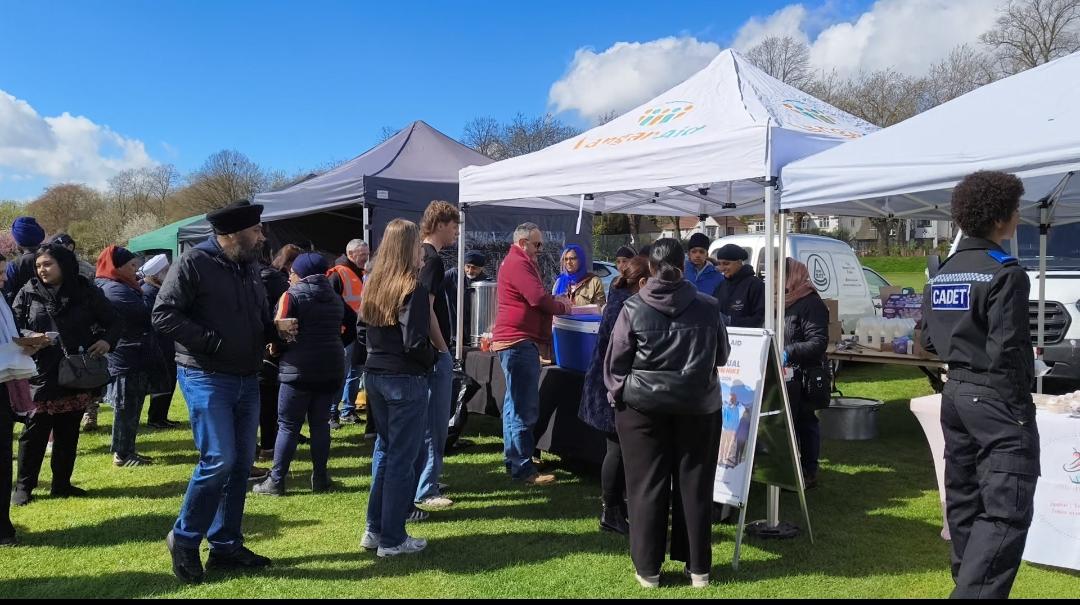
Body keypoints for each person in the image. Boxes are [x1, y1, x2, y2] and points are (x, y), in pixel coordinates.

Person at [920, 171, 1037, 599]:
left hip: (955, 393)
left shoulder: (943, 271)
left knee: (965, 500)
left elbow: (928, 340)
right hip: (996, 398)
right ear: (1000, 217)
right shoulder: (1005, 273)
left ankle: (966, 584)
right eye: (1016, 211)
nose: (1019, 218)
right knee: (1006, 509)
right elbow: (1008, 351)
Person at [153, 200, 276, 583]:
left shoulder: (248, 266)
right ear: (232, 234)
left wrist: (272, 332)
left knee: (241, 464)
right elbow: (163, 314)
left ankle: (225, 545)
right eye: (255, 231)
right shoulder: (193, 263)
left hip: (246, 375)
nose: (261, 237)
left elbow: (254, 316)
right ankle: (185, 539)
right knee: (219, 459)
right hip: (206, 375)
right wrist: (211, 342)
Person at [604, 238, 729, 589]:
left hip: (643, 409)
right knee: (695, 486)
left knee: (646, 487)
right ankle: (699, 569)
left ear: (652, 268)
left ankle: (649, 571)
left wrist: (620, 394)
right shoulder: (708, 307)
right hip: (698, 406)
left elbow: (615, 363)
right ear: (684, 265)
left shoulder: (632, 307)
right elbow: (721, 354)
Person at [12, 244, 120, 506]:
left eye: (47, 264)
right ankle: (24, 487)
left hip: (75, 372)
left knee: (68, 431)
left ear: (64, 264)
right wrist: (29, 338)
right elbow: (14, 327)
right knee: (35, 432)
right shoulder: (27, 292)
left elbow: (115, 321)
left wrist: (106, 341)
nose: (42, 270)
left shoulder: (85, 291)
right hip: (39, 372)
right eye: (38, 266)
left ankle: (62, 484)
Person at [359, 218, 436, 557]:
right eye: (418, 245)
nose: (422, 251)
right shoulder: (412, 287)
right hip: (403, 378)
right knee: (400, 460)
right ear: (409, 247)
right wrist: (433, 359)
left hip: (376, 374)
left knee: (387, 456)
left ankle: (375, 530)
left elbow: (362, 332)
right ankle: (391, 538)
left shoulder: (373, 283)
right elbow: (415, 342)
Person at [253, 253, 356, 496]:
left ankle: (276, 481)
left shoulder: (291, 295)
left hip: (297, 370)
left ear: (300, 273)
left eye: (293, 272)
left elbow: (281, 330)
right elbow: (353, 324)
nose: (290, 275)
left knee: (288, 426)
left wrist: (278, 350)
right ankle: (320, 478)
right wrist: (337, 343)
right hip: (330, 368)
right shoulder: (334, 296)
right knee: (320, 425)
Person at [493, 222, 572, 486]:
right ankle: (523, 468)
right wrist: (563, 307)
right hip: (518, 340)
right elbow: (537, 298)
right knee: (523, 407)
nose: (540, 249)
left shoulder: (514, 262)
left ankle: (514, 460)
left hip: (513, 340)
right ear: (523, 243)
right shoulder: (519, 263)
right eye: (537, 244)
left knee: (513, 405)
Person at [579, 255, 649, 536]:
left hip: (605, 380)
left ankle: (616, 506)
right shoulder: (627, 305)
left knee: (617, 449)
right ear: (641, 281)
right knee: (617, 450)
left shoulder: (618, 297)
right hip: (613, 384)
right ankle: (611, 510)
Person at [0, 252, 50, 546]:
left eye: (4, 272)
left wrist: (26, 345)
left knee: (3, 458)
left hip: (4, 383)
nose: (4, 279)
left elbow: (8, 338)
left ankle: (3, 527)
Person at [412, 201, 459, 515]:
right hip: (433, 354)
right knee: (435, 424)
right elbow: (426, 310)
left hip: (425, 354)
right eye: (454, 225)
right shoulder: (432, 260)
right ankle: (426, 488)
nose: (457, 232)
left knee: (429, 422)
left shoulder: (422, 256)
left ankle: (425, 482)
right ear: (441, 223)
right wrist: (443, 349)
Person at [96, 245, 157, 467]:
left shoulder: (121, 285)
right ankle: (122, 454)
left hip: (132, 352)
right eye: (132, 266)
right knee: (125, 406)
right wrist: (153, 289)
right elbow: (145, 314)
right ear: (118, 267)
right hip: (125, 355)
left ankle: (128, 450)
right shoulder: (114, 289)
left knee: (132, 405)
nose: (136, 271)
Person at [781, 257, 829, 488]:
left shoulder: (811, 303)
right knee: (787, 424)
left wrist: (787, 351)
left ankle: (809, 470)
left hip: (804, 375)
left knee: (805, 423)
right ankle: (789, 468)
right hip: (784, 375)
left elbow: (818, 342)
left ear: (793, 276)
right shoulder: (782, 300)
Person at [257, 245, 300, 460]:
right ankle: (268, 446)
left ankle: (264, 445)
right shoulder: (275, 280)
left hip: (257, 346)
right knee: (268, 400)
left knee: (263, 400)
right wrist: (276, 342)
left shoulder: (257, 277)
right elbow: (279, 316)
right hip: (268, 348)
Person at [327, 239, 368, 428]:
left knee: (355, 372)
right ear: (351, 254)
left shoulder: (361, 273)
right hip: (344, 333)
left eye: (367, 255)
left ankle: (348, 410)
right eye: (362, 255)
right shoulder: (338, 273)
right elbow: (333, 302)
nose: (365, 258)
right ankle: (332, 412)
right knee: (341, 374)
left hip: (358, 331)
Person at [141, 254, 180, 429]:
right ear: (157, 274)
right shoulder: (149, 292)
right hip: (159, 343)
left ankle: (161, 416)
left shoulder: (157, 289)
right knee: (163, 379)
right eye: (166, 270)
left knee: (169, 379)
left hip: (166, 343)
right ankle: (156, 417)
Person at [712, 243, 765, 328]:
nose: (722, 268)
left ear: (739, 263)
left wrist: (730, 321)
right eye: (719, 264)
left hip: (747, 338)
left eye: (726, 263)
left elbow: (759, 319)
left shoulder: (756, 285)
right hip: (723, 338)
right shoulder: (721, 286)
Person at [444, 250, 488, 346]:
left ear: (481, 269)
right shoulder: (453, 275)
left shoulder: (485, 282)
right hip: (454, 328)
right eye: (468, 267)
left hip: (475, 330)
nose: (470, 271)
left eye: (474, 268)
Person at [3, 216, 47, 306]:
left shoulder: (14, 266)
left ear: (19, 242)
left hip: (22, 315)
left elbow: (6, 295)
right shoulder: (54, 258)